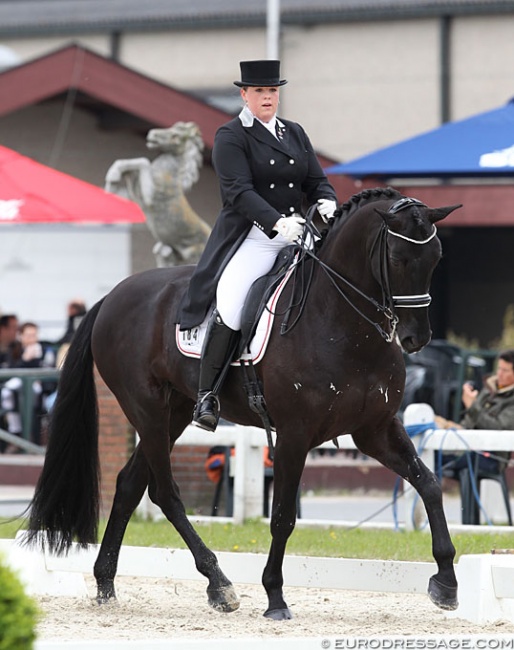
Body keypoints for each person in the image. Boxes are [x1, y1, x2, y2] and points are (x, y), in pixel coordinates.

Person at [178, 59, 338, 432]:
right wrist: (276, 222)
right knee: (233, 307)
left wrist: (327, 200)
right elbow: (237, 192)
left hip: (300, 233)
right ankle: (208, 395)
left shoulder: (295, 133)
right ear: (244, 95)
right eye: (261, 92)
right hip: (254, 236)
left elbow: (317, 179)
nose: (268, 98)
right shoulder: (231, 136)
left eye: (273, 92)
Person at [436, 349, 514, 478]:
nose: (500, 373)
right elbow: (470, 423)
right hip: (468, 445)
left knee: (440, 458)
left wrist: (472, 406)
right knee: (432, 448)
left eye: (505, 370)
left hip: (492, 457)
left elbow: (498, 428)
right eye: (499, 368)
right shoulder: (490, 387)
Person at [0, 321, 56, 451]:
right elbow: (10, 372)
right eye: (28, 335)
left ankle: (28, 438)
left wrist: (35, 360)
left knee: (31, 396)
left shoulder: (44, 351)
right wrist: (25, 359)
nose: (32, 338)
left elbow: (48, 374)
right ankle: (16, 433)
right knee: (8, 393)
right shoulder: (15, 350)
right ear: (21, 336)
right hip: (15, 394)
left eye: (34, 335)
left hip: (38, 393)